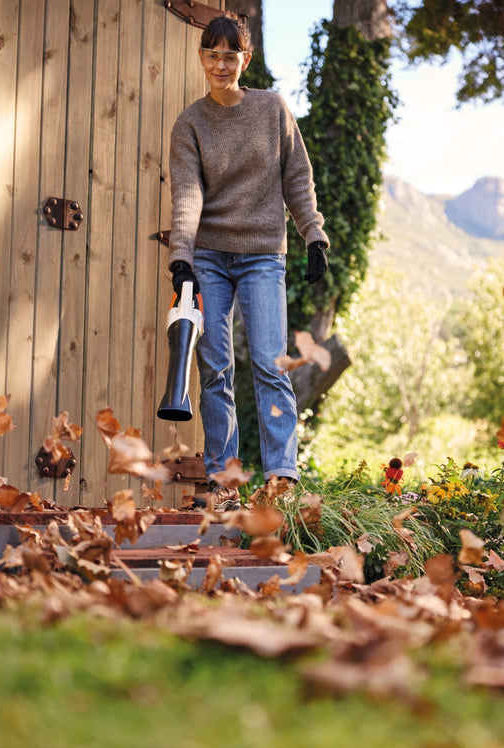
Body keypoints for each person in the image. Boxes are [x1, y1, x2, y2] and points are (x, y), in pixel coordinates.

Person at [168, 12, 329, 511]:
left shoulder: (271, 110)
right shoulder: (190, 123)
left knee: (268, 362)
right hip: (210, 256)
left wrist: (313, 235)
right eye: (212, 54)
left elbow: (297, 178)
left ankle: (281, 475)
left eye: (230, 55)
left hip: (262, 253)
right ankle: (223, 482)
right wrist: (182, 254)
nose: (221, 64)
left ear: (246, 59)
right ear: (201, 57)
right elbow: (188, 196)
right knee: (213, 364)